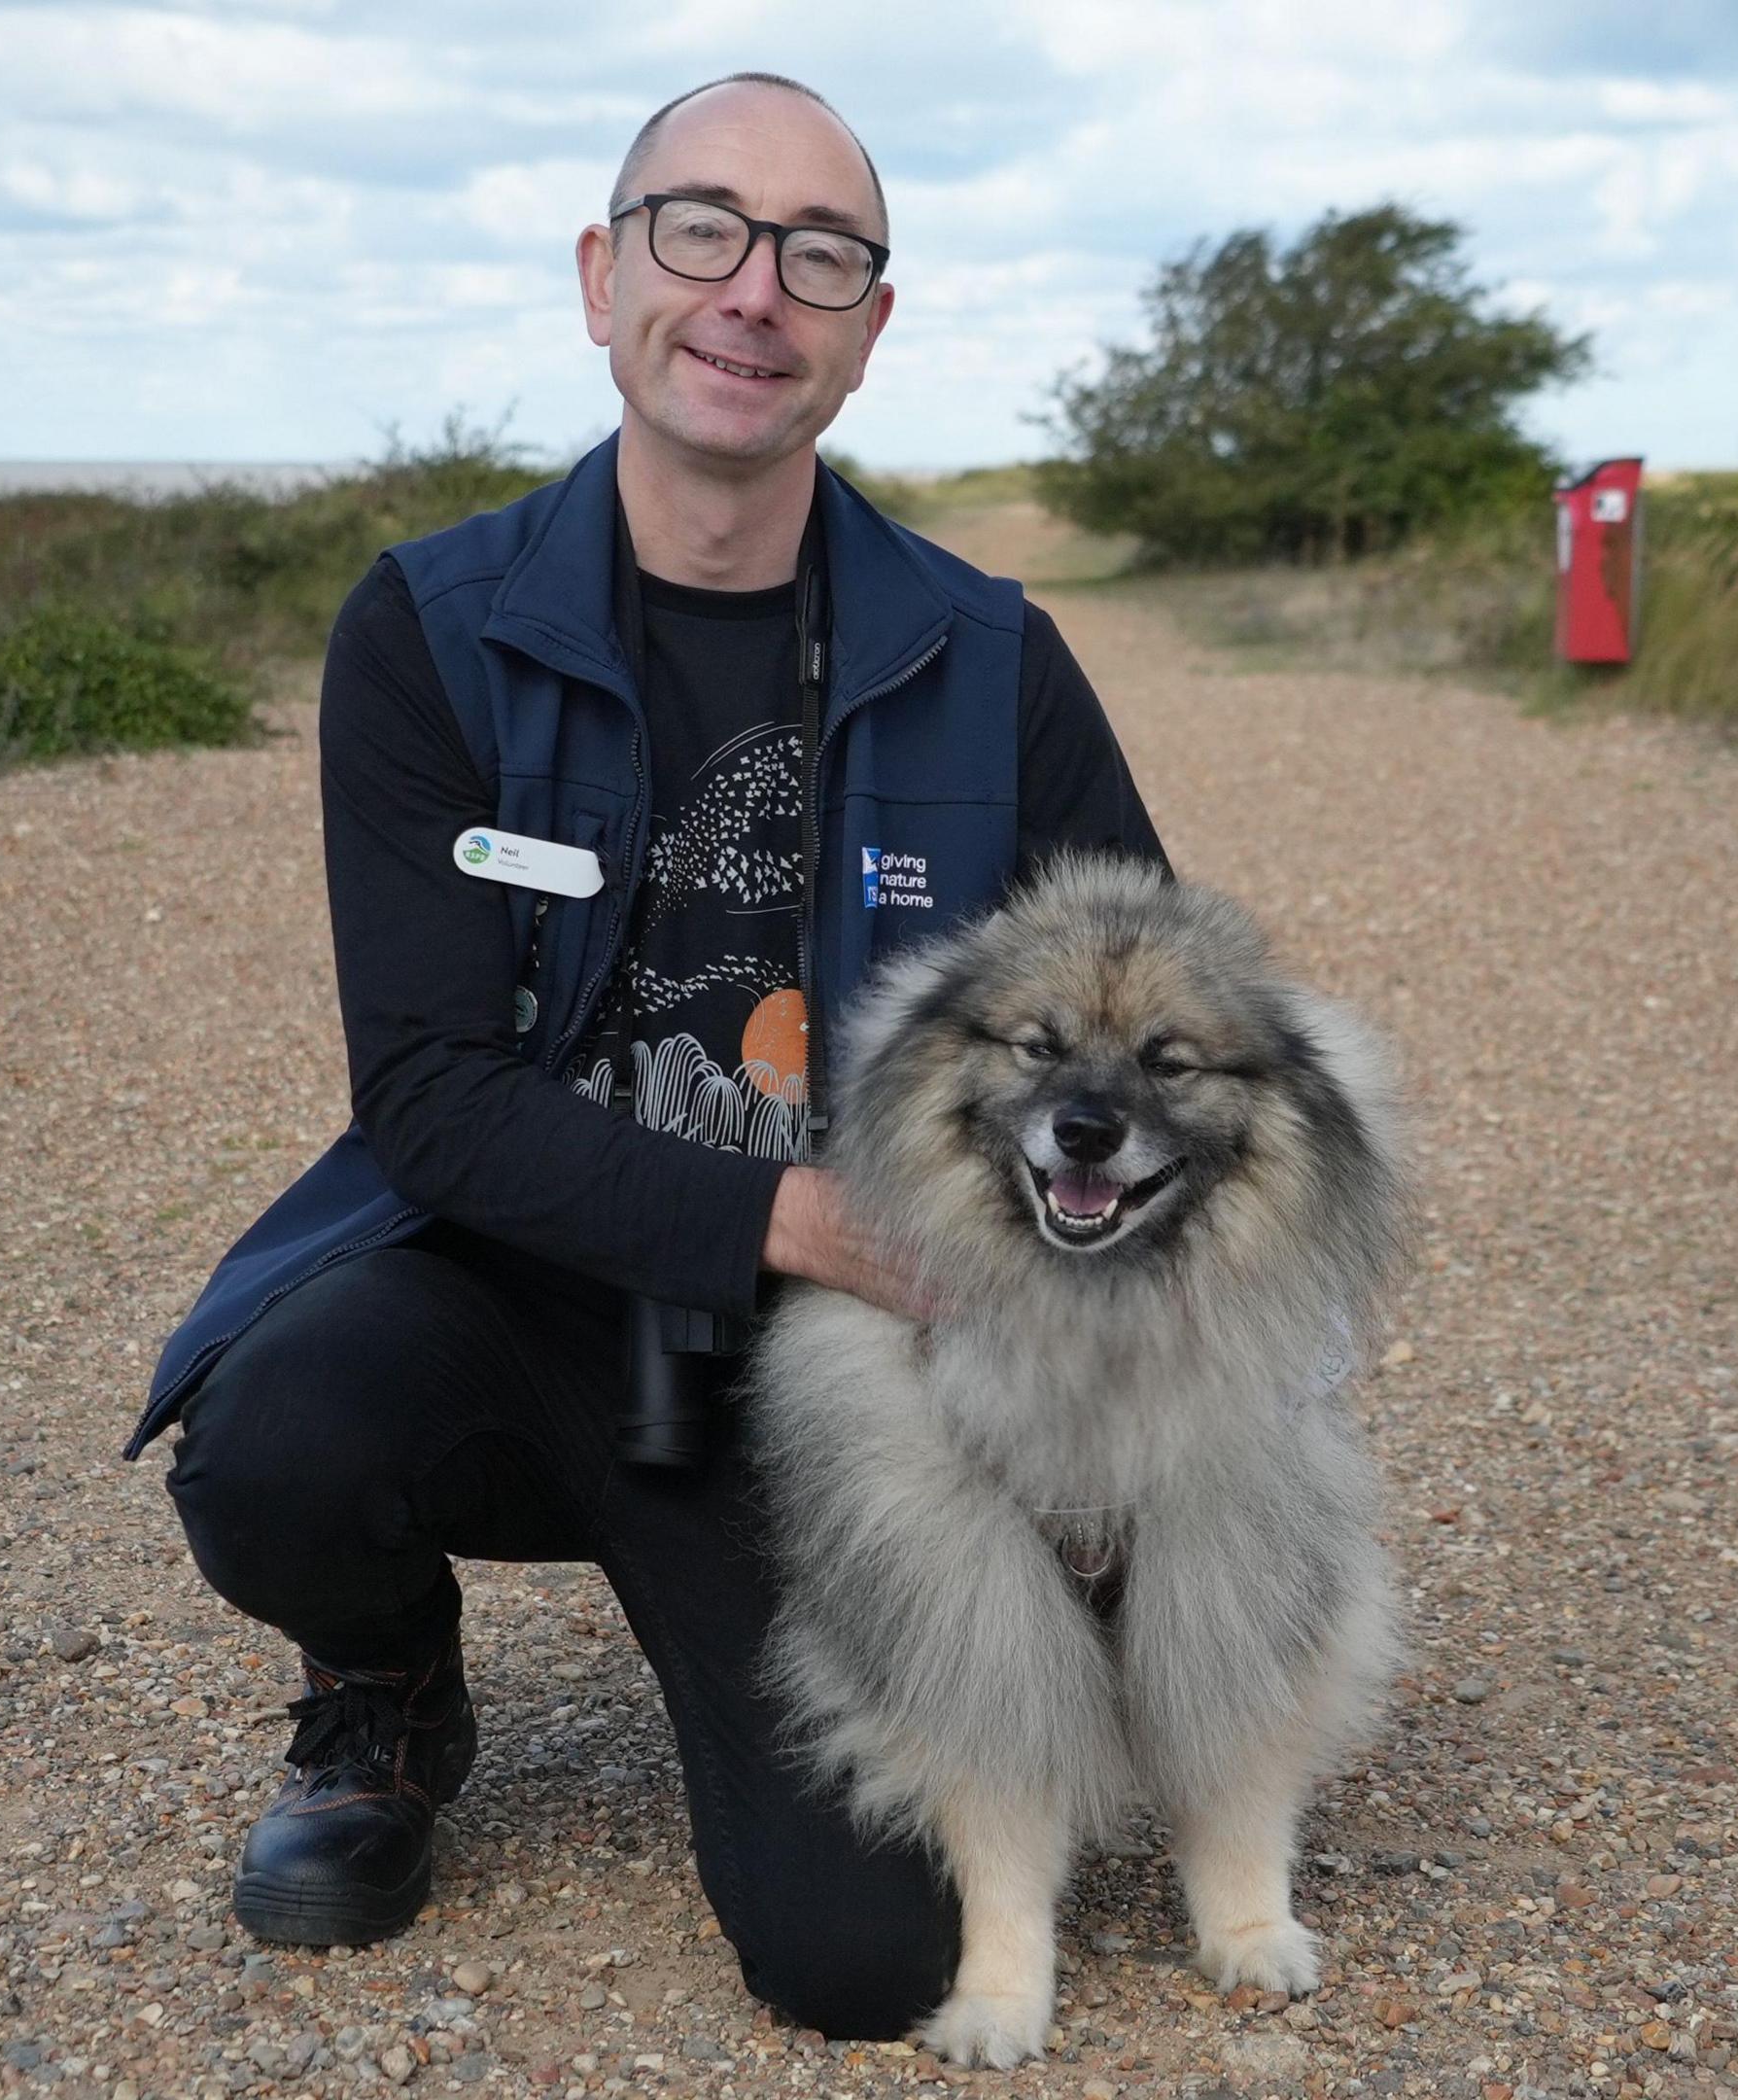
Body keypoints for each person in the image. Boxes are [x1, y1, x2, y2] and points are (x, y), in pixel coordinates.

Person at [124, 73, 1166, 2040]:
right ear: (604, 278)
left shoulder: (989, 652)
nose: (754, 290)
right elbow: (427, 1090)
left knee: (869, 1964)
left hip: (841, 1379)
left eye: (819, 254)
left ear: (868, 329)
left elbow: (1138, 1030)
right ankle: (385, 1695)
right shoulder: (432, 629)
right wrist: (795, 1211)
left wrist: (1088, 1392)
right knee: (272, 1447)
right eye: (701, 229)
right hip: (519, 1297)